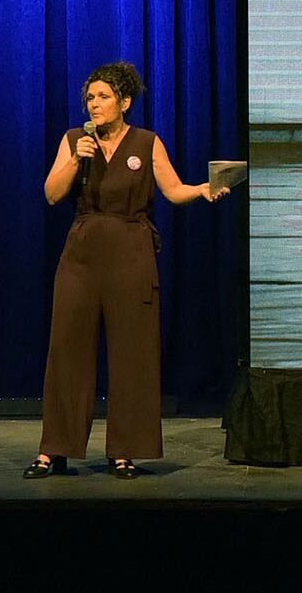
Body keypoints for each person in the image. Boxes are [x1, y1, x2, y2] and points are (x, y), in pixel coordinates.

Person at [25, 62, 227, 480]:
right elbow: (51, 194)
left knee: (133, 353)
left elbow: (173, 190)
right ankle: (54, 449)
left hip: (131, 254)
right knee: (67, 351)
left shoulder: (146, 142)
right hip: (82, 256)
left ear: (125, 102)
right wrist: (75, 160)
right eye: (90, 97)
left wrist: (202, 190)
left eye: (103, 97)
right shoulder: (75, 140)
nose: (94, 104)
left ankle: (125, 451)